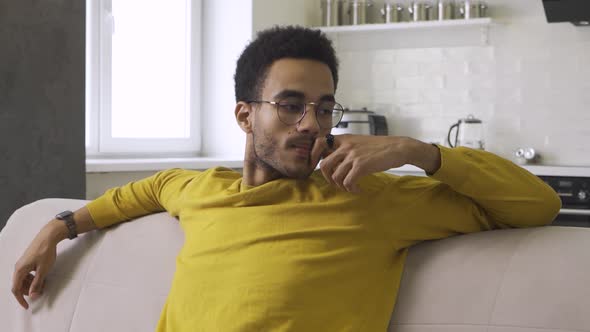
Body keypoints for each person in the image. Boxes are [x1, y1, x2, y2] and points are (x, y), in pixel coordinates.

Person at [12, 26, 561, 331]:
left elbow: (537, 204)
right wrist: (55, 230)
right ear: (245, 115)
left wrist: (418, 151)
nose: (311, 125)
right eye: (291, 106)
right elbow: (139, 193)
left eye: (324, 108)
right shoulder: (200, 191)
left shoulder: (371, 198)